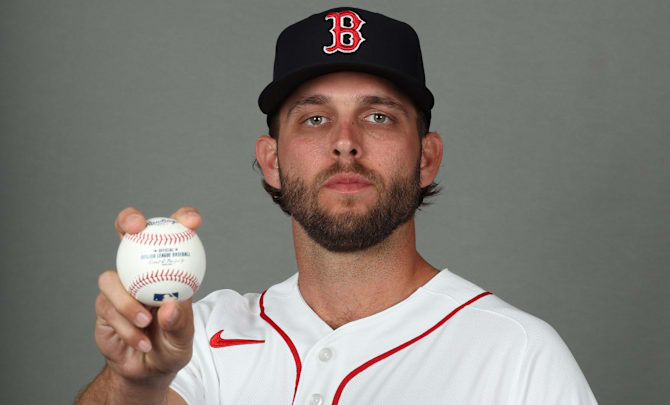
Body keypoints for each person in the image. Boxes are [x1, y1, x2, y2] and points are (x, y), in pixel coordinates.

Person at [76, 7, 597, 405]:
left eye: (378, 117)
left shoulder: (518, 354)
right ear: (272, 160)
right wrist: (131, 382)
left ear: (427, 158)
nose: (346, 142)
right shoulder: (202, 339)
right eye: (314, 119)